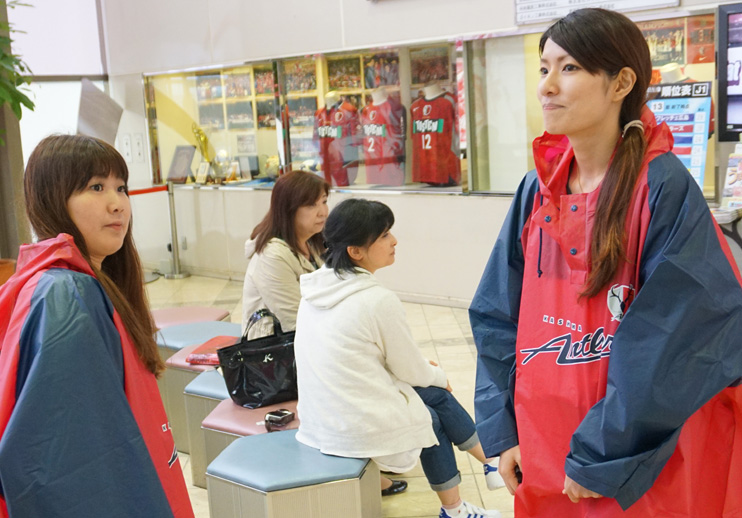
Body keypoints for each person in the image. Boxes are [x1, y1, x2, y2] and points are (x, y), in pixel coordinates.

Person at [470, 8, 742, 518]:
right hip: (543, 446)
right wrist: (503, 430)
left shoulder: (661, 187)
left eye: (569, 68)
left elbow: (674, 341)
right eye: (544, 68)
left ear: (621, 83)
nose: (547, 86)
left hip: (631, 461)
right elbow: (496, 315)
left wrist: (601, 454)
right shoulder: (536, 190)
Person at [0, 135, 194, 518]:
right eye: (96, 187)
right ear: (53, 199)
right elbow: (70, 468)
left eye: (120, 188)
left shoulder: (78, 282)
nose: (117, 203)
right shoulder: (67, 294)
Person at [295, 198, 501, 518]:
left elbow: (381, 359)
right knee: (428, 417)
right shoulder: (376, 300)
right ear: (356, 251)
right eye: (384, 235)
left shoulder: (315, 290)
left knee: (433, 393)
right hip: (350, 423)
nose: (394, 241)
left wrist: (427, 374)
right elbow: (409, 369)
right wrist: (438, 375)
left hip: (321, 415)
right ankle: (456, 508)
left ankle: (491, 463)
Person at [242, 170, 329, 337]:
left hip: (312, 333)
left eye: (324, 202)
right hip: (277, 345)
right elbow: (297, 320)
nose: (323, 212)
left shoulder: (312, 242)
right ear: (289, 209)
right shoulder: (272, 255)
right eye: (312, 205)